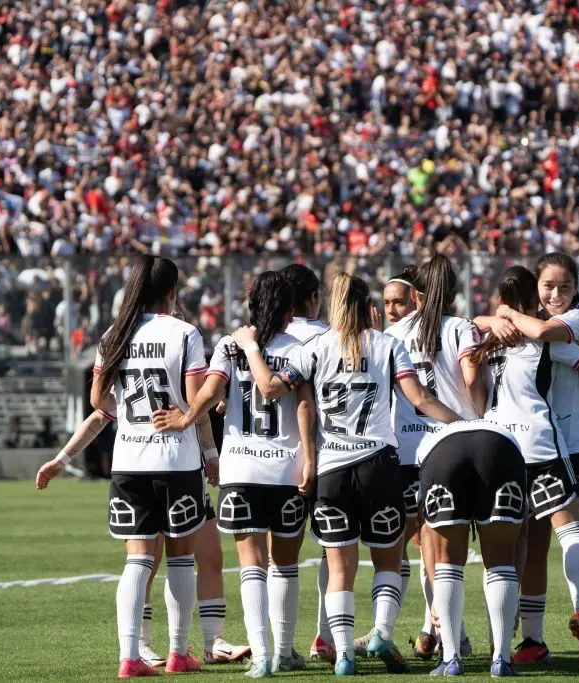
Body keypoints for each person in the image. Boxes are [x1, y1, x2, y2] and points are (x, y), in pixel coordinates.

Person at [233, 272, 464, 676]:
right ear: (367, 306)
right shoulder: (388, 345)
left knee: (340, 567)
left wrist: (252, 346)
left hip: (332, 471)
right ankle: (381, 631)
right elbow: (420, 398)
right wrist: (463, 425)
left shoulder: (315, 347)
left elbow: (269, 388)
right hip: (378, 465)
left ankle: (343, 655)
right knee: (388, 559)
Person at [152, 271, 317, 677]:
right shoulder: (302, 346)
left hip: (240, 466)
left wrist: (186, 417)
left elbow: (210, 392)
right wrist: (311, 458)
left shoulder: (229, 343)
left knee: (251, 565)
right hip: (285, 468)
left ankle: (261, 657)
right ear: (291, 308)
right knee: (286, 564)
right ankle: (282, 650)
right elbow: (304, 407)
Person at [73, 255, 215, 678]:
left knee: (136, 561)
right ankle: (177, 653)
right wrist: (193, 428)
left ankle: (130, 656)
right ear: (173, 290)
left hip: (129, 459)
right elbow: (196, 398)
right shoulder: (186, 333)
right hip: (175, 458)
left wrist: (133, 416)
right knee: (180, 559)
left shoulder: (114, 335)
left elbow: (98, 398)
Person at [36, 404, 251, 671]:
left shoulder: (133, 363)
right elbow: (99, 405)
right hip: (167, 466)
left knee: (210, 555)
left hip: (180, 466)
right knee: (152, 560)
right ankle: (145, 646)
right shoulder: (178, 361)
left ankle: (212, 641)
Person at [470, 265, 579, 669]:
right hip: (544, 444)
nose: (556, 294)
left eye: (564, 286)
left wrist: (495, 320)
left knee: (512, 546)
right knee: (573, 532)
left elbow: (465, 333)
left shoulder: (484, 338)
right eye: (547, 287)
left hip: (498, 448)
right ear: (535, 296)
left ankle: (506, 643)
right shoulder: (543, 339)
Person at [381, 256, 486, 662]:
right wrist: (477, 418)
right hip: (453, 444)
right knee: (445, 546)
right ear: (455, 292)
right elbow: (473, 381)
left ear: (416, 294)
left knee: (422, 543)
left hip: (406, 451)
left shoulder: (392, 335)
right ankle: (449, 631)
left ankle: (439, 630)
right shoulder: (461, 328)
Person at [417, 419, 527, 677]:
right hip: (502, 448)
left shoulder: (431, 441)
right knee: (501, 559)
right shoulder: (501, 429)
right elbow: (523, 537)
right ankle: (501, 660)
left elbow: (425, 535)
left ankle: (451, 659)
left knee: (448, 560)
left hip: (441, 451)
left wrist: (436, 596)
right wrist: (514, 595)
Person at [279, 262, 337, 663]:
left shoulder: (267, 340)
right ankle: (326, 636)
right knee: (332, 549)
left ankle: (276, 647)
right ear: (315, 299)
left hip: (274, 461)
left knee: (275, 559)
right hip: (327, 456)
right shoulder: (330, 338)